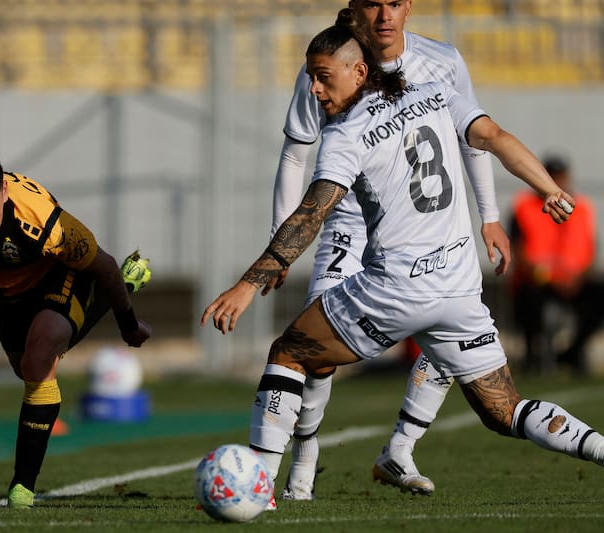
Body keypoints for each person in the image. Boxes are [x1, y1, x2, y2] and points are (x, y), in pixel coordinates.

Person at [201, 12, 604, 503]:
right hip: (459, 292)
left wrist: (246, 284)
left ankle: (257, 487)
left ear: (360, 71)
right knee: (505, 412)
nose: (313, 90)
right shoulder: (434, 92)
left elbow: (311, 213)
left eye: (322, 78)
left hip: (394, 288)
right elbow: (495, 138)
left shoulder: (345, 134)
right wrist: (548, 188)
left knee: (290, 353)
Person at [265, 0, 509, 499]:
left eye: (394, 3)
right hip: (348, 223)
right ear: (354, 8)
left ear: (409, 7)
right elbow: (296, 151)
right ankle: (302, 472)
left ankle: (401, 447)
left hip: (420, 230)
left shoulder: (443, 61)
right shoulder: (326, 67)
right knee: (316, 351)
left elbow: (472, 138)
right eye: (372, 3)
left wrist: (489, 215)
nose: (383, 15)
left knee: (444, 320)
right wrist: (280, 245)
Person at [0, 145, 152, 508]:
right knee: (26, 369)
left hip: (62, 277)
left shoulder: (44, 220)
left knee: (39, 359)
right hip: (9, 295)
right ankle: (117, 290)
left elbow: (103, 264)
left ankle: (22, 487)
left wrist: (128, 323)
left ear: (3, 192)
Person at [510, 155, 604, 373]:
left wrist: (577, 278)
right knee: (528, 299)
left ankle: (572, 353)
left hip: (575, 281)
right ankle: (534, 356)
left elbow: (591, 249)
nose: (559, 181)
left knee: (598, 296)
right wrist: (549, 278)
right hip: (540, 280)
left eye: (562, 176)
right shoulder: (524, 206)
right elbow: (520, 250)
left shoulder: (582, 208)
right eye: (554, 176)